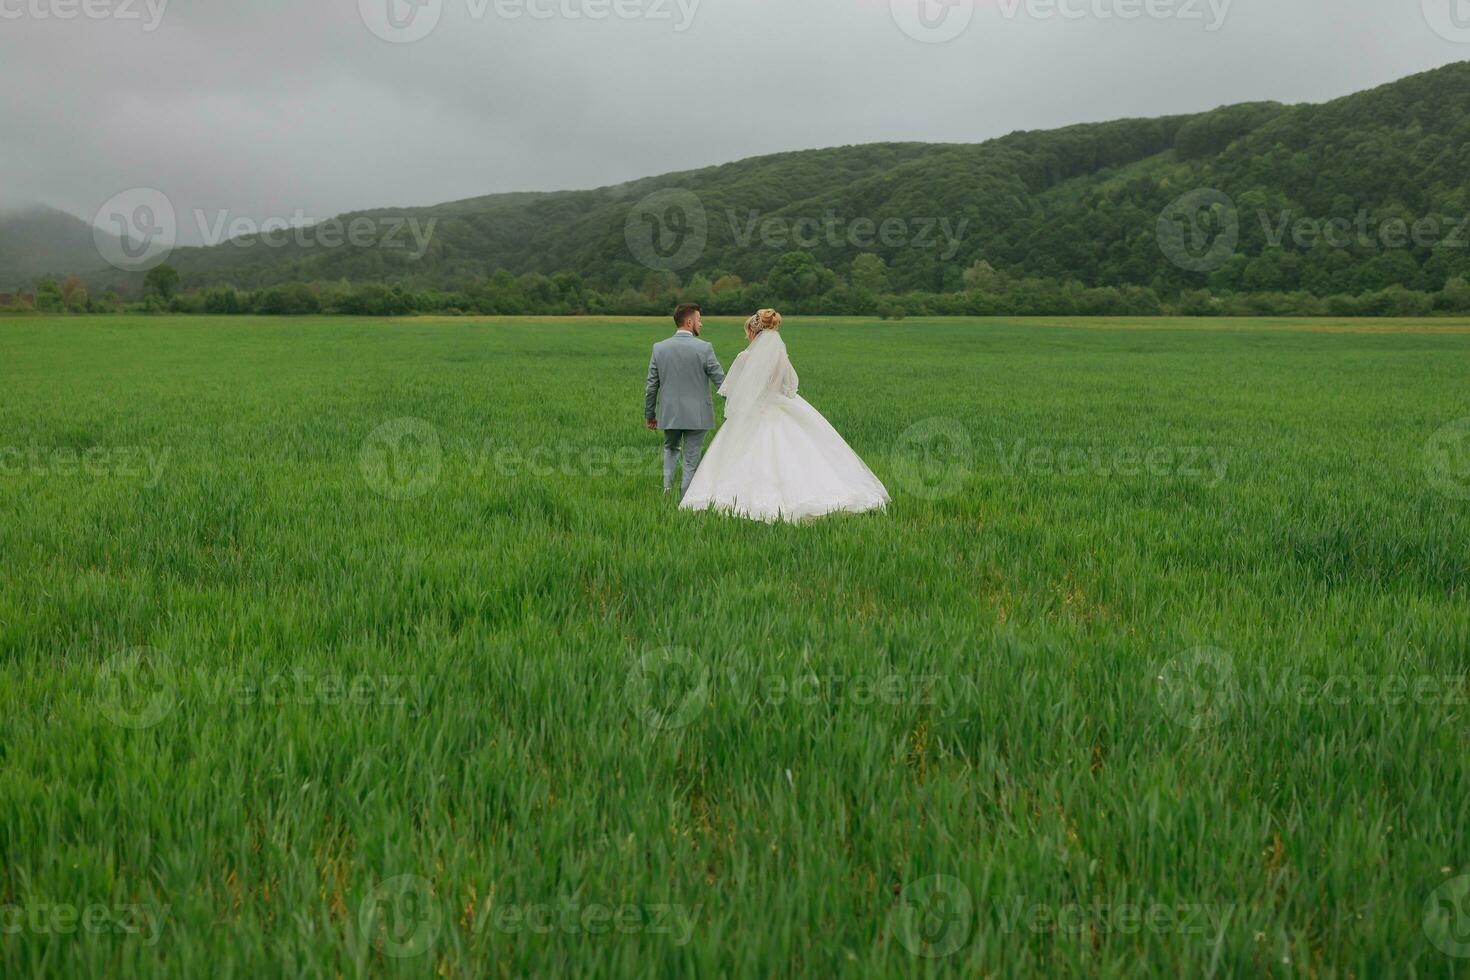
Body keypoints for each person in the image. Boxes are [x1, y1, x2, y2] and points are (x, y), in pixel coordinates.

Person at [680, 308, 889, 522]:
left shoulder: (744, 357)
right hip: (780, 408)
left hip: (753, 413)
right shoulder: (781, 358)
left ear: (753, 332)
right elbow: (790, 387)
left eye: (748, 332)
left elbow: (732, 391)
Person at [644, 303, 726, 497]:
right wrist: (736, 402)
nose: (701, 324)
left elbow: (651, 386)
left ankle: (666, 488)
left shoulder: (659, 348)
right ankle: (685, 498)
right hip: (697, 415)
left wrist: (650, 415)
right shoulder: (704, 348)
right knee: (691, 458)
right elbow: (721, 381)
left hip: (669, 412)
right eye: (699, 320)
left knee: (670, 448)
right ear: (689, 322)